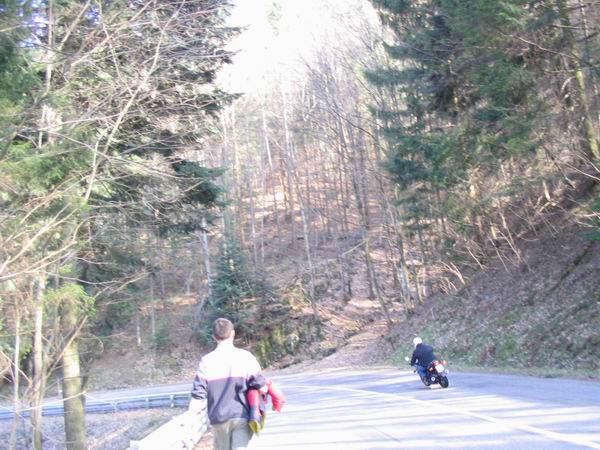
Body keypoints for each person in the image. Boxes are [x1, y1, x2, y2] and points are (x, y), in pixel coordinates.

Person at [185, 318, 267, 450]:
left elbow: (197, 397)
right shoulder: (245, 357)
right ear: (233, 333)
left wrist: (189, 431)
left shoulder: (206, 362)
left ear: (214, 336)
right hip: (241, 416)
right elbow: (262, 387)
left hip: (218, 420)